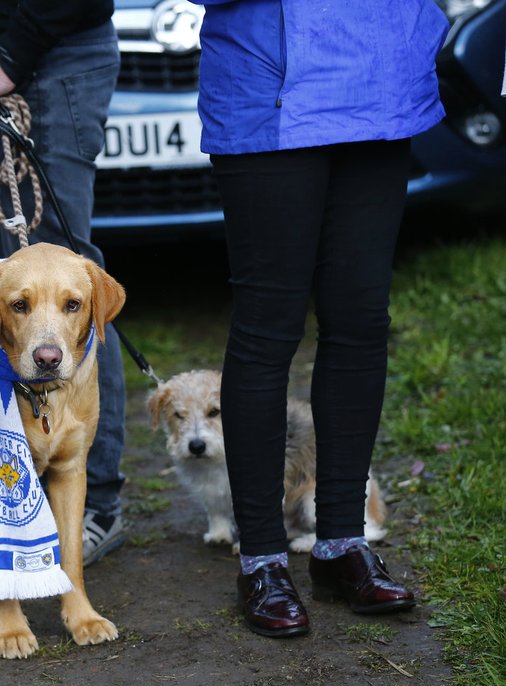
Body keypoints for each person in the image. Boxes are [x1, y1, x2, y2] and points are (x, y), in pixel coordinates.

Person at [192, 0, 448, 637]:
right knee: (267, 326)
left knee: (360, 318)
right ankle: (262, 559)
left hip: (383, 79)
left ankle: (340, 543)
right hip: (268, 87)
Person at [0, 0, 128, 567]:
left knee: (66, 280)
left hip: (42, 60)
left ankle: (92, 496)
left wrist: (11, 56)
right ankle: (6, 481)